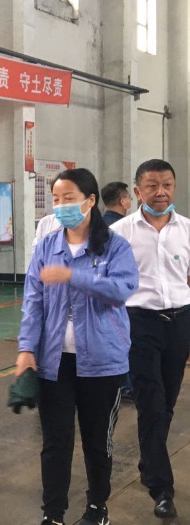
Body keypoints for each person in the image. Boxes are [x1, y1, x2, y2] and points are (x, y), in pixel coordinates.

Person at [16, 168, 139, 525]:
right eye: (56, 199)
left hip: (102, 361)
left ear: (90, 201)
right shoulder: (47, 247)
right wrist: (26, 348)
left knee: (97, 442)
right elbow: (33, 302)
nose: (60, 206)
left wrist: (74, 276)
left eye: (68, 198)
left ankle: (97, 507)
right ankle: (53, 513)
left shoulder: (115, 246)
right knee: (55, 443)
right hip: (54, 361)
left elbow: (121, 290)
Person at [110, 159, 190, 519]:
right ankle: (161, 487)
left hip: (180, 321)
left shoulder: (186, 230)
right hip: (139, 323)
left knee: (167, 402)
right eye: (152, 186)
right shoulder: (120, 233)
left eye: (167, 185)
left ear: (174, 187)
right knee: (151, 403)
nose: (161, 192)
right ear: (137, 191)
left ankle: (149, 461)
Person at [100, 181, 135, 402]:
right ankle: (127, 387)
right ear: (123, 201)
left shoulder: (97, 228)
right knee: (127, 342)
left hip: (103, 296)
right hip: (125, 296)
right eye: (129, 197)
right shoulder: (125, 230)